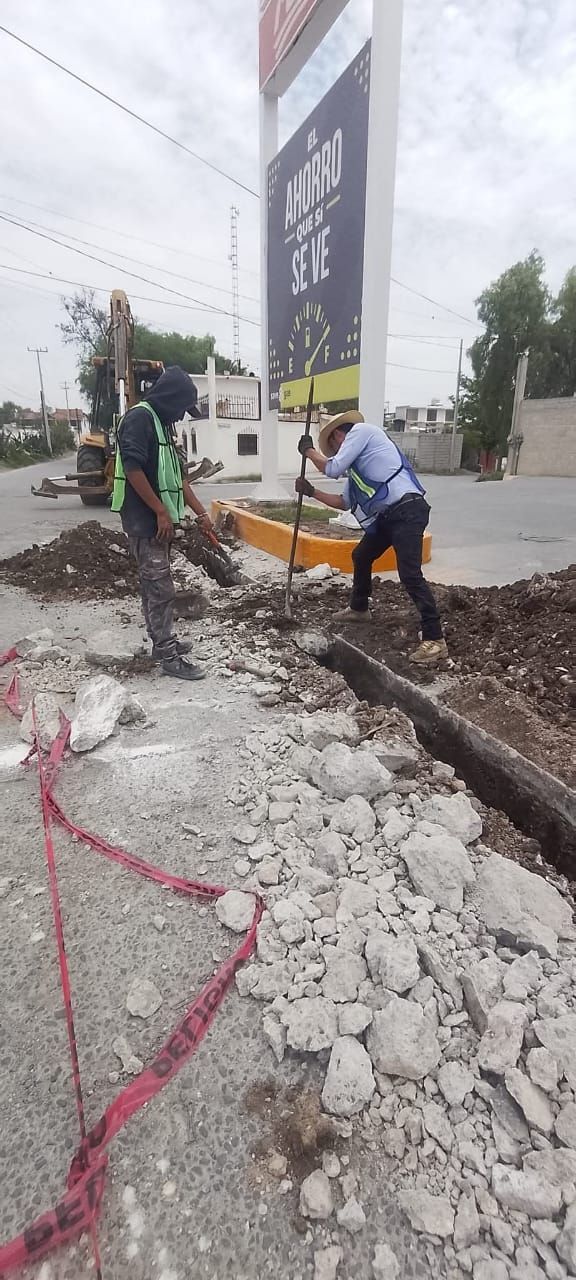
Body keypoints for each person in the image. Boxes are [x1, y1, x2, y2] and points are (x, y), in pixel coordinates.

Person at [295, 409, 448, 665]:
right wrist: (311, 492)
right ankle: (359, 608)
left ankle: (435, 640)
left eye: (332, 446)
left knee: (410, 574)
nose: (334, 452)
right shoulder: (358, 471)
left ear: (337, 436)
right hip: (389, 517)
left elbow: (332, 468)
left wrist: (309, 451)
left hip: (408, 508)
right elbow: (344, 502)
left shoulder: (362, 431)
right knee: (362, 554)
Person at [111, 365, 215, 681]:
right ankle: (167, 655)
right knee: (160, 587)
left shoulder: (162, 424)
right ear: (171, 399)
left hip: (158, 518)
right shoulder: (140, 419)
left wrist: (202, 514)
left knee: (154, 584)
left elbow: (180, 479)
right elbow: (132, 468)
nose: (183, 416)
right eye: (182, 409)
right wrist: (159, 510)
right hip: (144, 519)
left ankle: (161, 642)